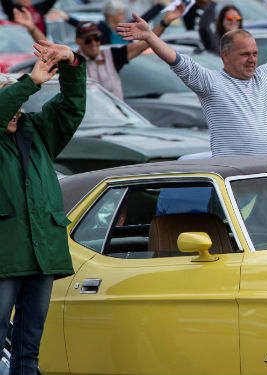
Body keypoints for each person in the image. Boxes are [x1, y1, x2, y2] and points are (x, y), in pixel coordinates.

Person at [116, 0, 267, 157]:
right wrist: (150, 37)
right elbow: (176, 59)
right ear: (225, 56)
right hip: (230, 181)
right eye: (245, 54)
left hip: (265, 177)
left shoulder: (266, 76)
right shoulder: (210, 82)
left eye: (255, 54)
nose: (252, 59)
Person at [0, 40, 86, 375]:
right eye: (13, 103)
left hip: (41, 253)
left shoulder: (36, 130)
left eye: (22, 105)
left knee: (29, 344)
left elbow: (72, 106)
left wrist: (72, 62)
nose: (17, 111)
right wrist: (30, 82)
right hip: (6, 254)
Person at [59, 6, 182, 100]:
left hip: (115, 119)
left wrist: (164, 23)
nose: (93, 43)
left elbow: (143, 44)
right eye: (87, 40)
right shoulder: (70, 61)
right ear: (78, 41)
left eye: (97, 38)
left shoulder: (112, 55)